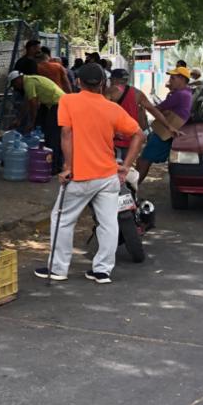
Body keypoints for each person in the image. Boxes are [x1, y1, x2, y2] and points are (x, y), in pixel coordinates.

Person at [36, 63, 145, 284]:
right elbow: (139, 134)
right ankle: (102, 270)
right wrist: (126, 164)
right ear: (103, 84)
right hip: (107, 175)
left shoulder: (68, 101)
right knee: (108, 223)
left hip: (81, 175)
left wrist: (68, 166)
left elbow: (66, 134)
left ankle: (58, 268)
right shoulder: (112, 108)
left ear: (78, 82)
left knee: (62, 219)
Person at [105, 69, 182, 162]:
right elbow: (153, 110)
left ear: (114, 79)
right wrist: (169, 127)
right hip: (132, 138)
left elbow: (101, 113)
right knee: (125, 168)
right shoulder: (137, 93)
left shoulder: (109, 92)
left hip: (114, 138)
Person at [136, 66, 193, 180]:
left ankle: (133, 189)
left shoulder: (180, 95)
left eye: (173, 78)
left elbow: (157, 108)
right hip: (167, 132)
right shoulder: (186, 92)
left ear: (182, 79)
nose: (170, 81)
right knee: (143, 160)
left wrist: (142, 107)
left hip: (164, 134)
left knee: (144, 161)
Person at [8, 69, 65, 174]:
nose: (15, 88)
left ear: (18, 80)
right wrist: (19, 120)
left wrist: (32, 122)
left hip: (58, 104)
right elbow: (26, 104)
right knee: (51, 134)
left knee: (52, 136)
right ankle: (56, 165)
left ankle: (54, 167)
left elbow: (33, 105)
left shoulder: (29, 83)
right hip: (54, 104)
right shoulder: (29, 81)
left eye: (14, 85)